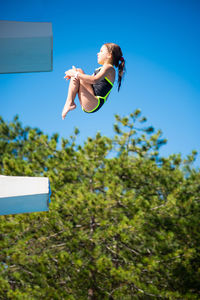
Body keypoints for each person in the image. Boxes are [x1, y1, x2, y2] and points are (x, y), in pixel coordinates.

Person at [62, 43, 125, 119]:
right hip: (90, 100)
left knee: (78, 72)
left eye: (101, 51)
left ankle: (69, 103)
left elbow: (94, 80)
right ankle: (70, 102)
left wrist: (76, 74)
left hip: (95, 102)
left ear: (109, 55)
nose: (97, 53)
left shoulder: (109, 68)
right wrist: (74, 76)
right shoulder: (100, 69)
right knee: (78, 72)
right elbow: (87, 80)